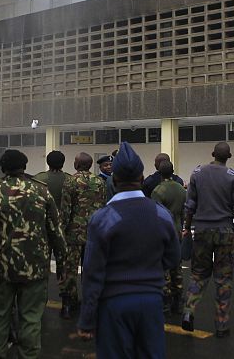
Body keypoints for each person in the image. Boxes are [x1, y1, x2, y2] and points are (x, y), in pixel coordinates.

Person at [77, 142, 180, 358]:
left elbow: (93, 274)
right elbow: (173, 258)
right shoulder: (161, 214)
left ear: (114, 180)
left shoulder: (102, 219)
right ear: (142, 178)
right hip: (151, 302)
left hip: (113, 304)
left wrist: (87, 319)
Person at [0, 149, 66, 358]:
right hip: (35, 268)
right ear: (24, 167)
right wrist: (61, 262)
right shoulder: (41, 192)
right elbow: (56, 231)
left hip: (1, 269)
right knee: (31, 319)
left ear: (3, 169)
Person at [181, 142, 234, 337]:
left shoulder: (197, 173)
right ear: (229, 156)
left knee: (198, 274)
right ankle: (222, 325)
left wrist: (187, 228)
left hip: (202, 230)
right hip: (225, 231)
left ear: (212, 154)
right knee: (223, 279)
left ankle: (189, 311)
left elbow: (190, 205)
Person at [59, 152, 106, 319]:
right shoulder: (99, 182)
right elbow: (103, 207)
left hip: (74, 233)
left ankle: (68, 304)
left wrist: (61, 230)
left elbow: (66, 209)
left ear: (77, 164)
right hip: (94, 233)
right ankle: (90, 303)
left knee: (70, 270)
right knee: (91, 269)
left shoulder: (70, 181)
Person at [151, 159, 187, 315]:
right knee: (177, 267)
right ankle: (178, 302)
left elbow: (156, 215)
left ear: (159, 172)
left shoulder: (158, 191)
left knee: (164, 268)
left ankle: (165, 303)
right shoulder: (181, 189)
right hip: (177, 231)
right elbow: (185, 212)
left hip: (163, 232)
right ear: (173, 171)